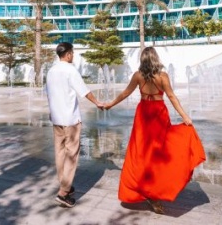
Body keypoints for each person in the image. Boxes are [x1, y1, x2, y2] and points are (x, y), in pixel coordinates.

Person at [104, 47, 206, 214]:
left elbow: (125, 94)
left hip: (143, 113)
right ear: (156, 58)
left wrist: (110, 104)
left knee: (141, 153)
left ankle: (144, 188)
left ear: (142, 59)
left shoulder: (138, 76)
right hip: (159, 113)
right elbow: (172, 97)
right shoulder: (163, 76)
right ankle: (155, 190)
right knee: (160, 152)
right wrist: (185, 116)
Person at [46, 42, 104, 208]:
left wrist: (51, 111)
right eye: (73, 53)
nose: (73, 56)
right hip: (70, 119)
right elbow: (84, 91)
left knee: (60, 153)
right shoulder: (70, 70)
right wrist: (97, 102)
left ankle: (65, 184)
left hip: (56, 118)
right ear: (68, 54)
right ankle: (63, 193)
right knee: (71, 155)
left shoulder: (51, 71)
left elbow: (49, 94)